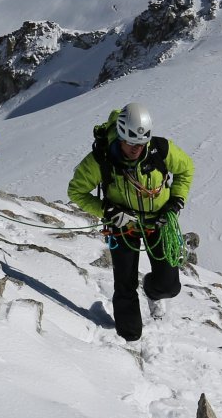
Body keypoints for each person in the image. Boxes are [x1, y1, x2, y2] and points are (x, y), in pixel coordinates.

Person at [66, 103, 194, 342]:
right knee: (124, 284)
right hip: (122, 227)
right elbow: (76, 191)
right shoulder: (101, 159)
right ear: (121, 136)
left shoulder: (160, 150)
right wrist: (107, 209)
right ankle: (129, 338)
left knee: (169, 286)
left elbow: (186, 169)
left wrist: (176, 201)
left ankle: (152, 290)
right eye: (131, 143)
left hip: (159, 222)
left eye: (141, 144)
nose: (137, 149)